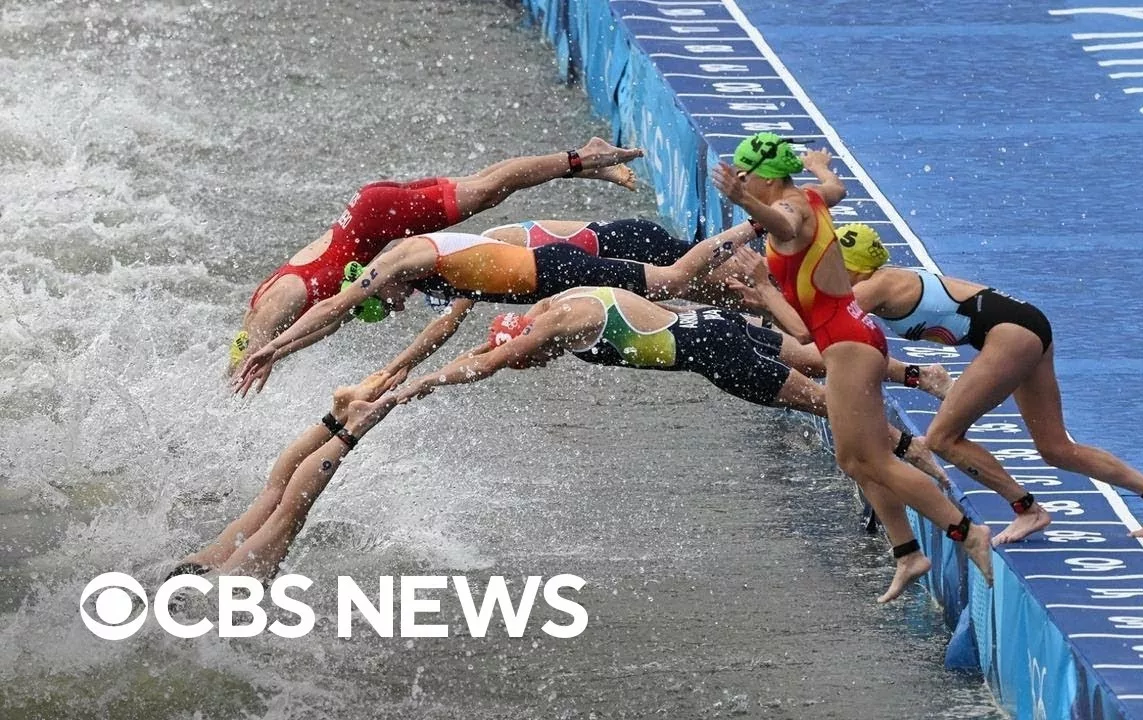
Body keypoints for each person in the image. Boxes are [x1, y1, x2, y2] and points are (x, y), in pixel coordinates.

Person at [394, 287, 947, 602]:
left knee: (831, 405)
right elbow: (490, 353)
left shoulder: (552, 329)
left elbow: (489, 363)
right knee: (822, 356)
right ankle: (920, 375)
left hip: (716, 357)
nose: (536, 364)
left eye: (530, 359)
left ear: (530, 341)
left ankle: (910, 449)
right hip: (718, 325)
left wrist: (418, 386)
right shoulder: (552, 307)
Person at [712, 133, 993, 588]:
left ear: (761, 177)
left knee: (874, 461)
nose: (743, 184)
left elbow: (800, 321)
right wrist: (821, 166)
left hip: (845, 344)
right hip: (851, 336)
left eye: (745, 177)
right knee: (858, 460)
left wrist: (764, 286)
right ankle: (907, 554)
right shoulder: (811, 195)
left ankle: (967, 532)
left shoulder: (789, 208)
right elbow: (837, 191)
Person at [833, 222, 1143, 541]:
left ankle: (1028, 509)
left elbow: (821, 329)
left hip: (1009, 335)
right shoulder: (883, 278)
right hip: (1025, 324)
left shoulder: (874, 286)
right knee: (1055, 448)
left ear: (852, 267)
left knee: (942, 439)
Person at [229, 137, 644, 371]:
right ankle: (589, 164)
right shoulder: (292, 315)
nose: (398, 307)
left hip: (378, 215)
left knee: (486, 191)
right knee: (485, 185)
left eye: (386, 305)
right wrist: (274, 354)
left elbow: (298, 321)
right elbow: (326, 325)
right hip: (374, 213)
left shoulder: (286, 299)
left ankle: (582, 157)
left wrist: (262, 355)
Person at [233, 219, 764, 394]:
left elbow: (338, 307)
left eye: (385, 304)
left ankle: (754, 228)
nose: (394, 309)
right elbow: (441, 330)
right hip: (551, 280)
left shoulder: (402, 262)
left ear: (376, 280)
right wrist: (397, 369)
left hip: (560, 270)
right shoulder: (431, 272)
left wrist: (274, 348)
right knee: (692, 290)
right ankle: (765, 298)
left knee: (674, 278)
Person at [171, 376, 399, 581]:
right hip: (189, 586)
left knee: (284, 514)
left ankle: (347, 424)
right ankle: (337, 420)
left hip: (200, 598)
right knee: (274, 500)